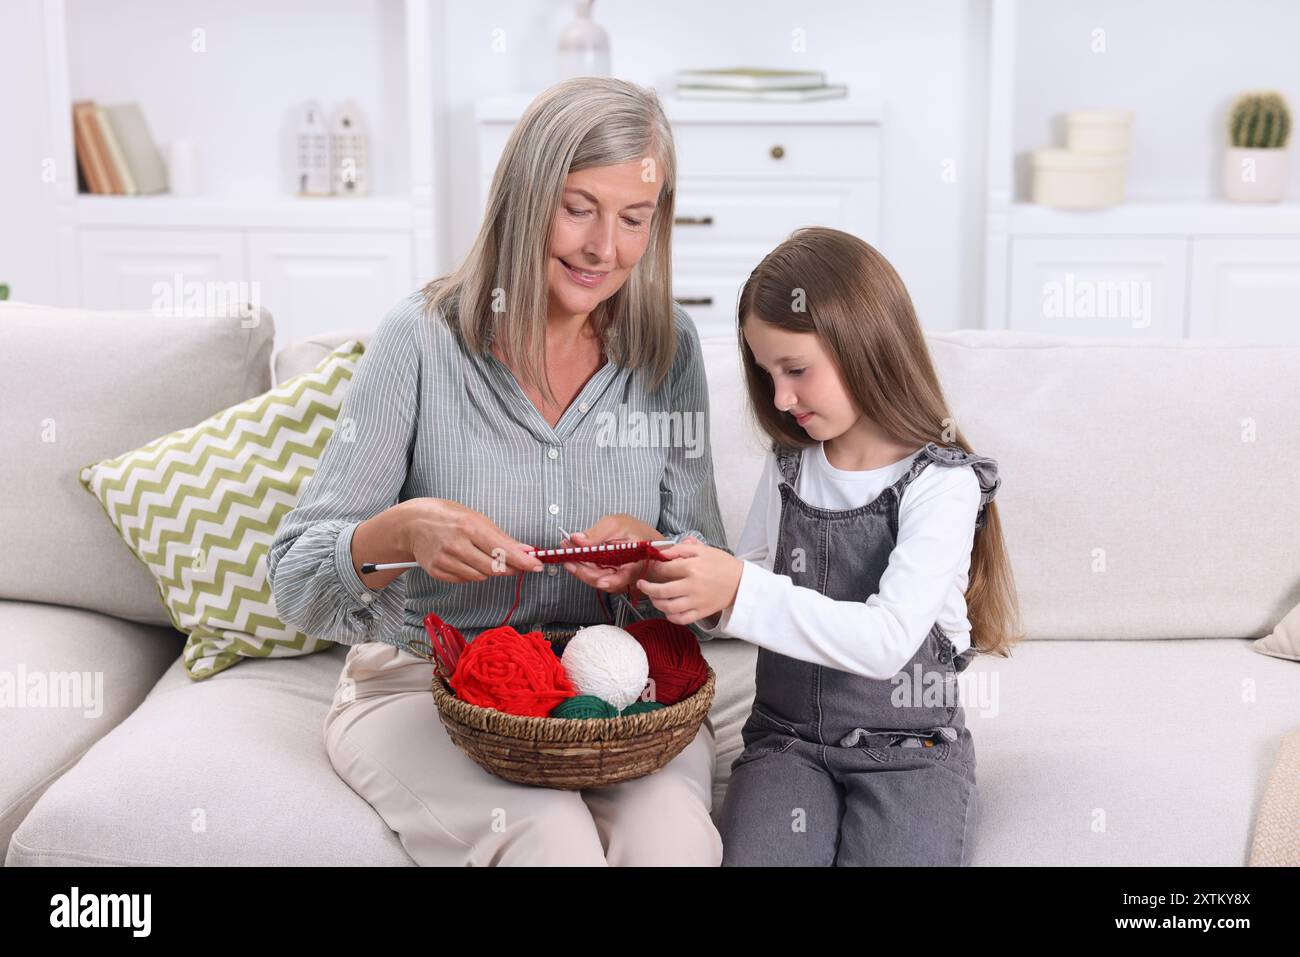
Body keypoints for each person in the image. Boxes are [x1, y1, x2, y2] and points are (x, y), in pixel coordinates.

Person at [267, 77, 729, 866]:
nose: (604, 249)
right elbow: (296, 577)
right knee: (552, 843)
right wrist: (402, 531)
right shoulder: (418, 339)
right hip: (425, 687)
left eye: (633, 218)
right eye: (579, 207)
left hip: (612, 694)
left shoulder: (668, 348)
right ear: (523, 196)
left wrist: (657, 556)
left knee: (676, 844)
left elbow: (709, 584)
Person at [637, 226, 1024, 865]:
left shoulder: (942, 484)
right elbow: (750, 593)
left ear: (866, 345)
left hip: (909, 754)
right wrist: (671, 572)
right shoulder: (791, 464)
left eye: (796, 370)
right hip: (787, 744)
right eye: (768, 375)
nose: (782, 399)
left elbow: (888, 641)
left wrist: (737, 586)